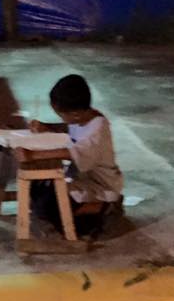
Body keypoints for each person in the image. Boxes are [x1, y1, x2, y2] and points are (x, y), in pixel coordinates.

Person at [27, 74, 123, 236]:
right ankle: (86, 208)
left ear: (76, 114)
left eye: (61, 114)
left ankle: (103, 206)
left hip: (99, 187)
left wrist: (32, 155)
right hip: (80, 180)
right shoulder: (84, 117)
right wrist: (48, 127)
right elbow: (70, 128)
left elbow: (72, 153)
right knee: (36, 189)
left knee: (59, 216)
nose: (61, 118)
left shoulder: (97, 131)